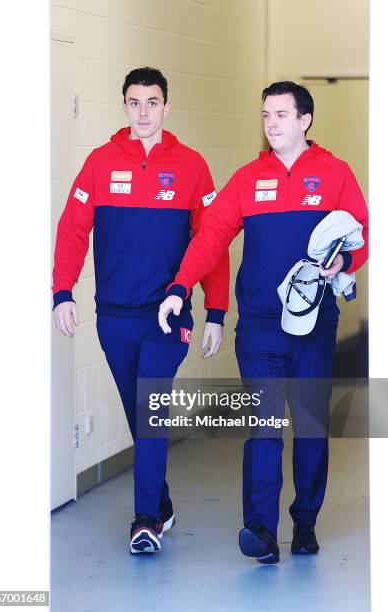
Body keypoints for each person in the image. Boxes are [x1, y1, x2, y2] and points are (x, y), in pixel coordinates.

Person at [159, 81, 369, 563]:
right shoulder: (248, 179)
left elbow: (362, 233)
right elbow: (211, 236)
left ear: (304, 120)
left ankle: (306, 520)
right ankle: (260, 529)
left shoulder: (335, 174)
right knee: (265, 427)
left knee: (311, 426)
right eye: (266, 115)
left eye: (281, 114)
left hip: (314, 325)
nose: (271, 123)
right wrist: (178, 287)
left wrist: (346, 262)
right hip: (258, 326)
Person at [52, 67, 229, 554]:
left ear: (166, 106)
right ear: (124, 106)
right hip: (114, 314)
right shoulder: (100, 163)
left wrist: (215, 309)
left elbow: (211, 242)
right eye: (135, 102)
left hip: (167, 315)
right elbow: (72, 230)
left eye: (153, 102)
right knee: (139, 410)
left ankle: (145, 519)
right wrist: (62, 291)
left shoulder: (192, 166)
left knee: (150, 408)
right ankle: (163, 503)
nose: (144, 111)